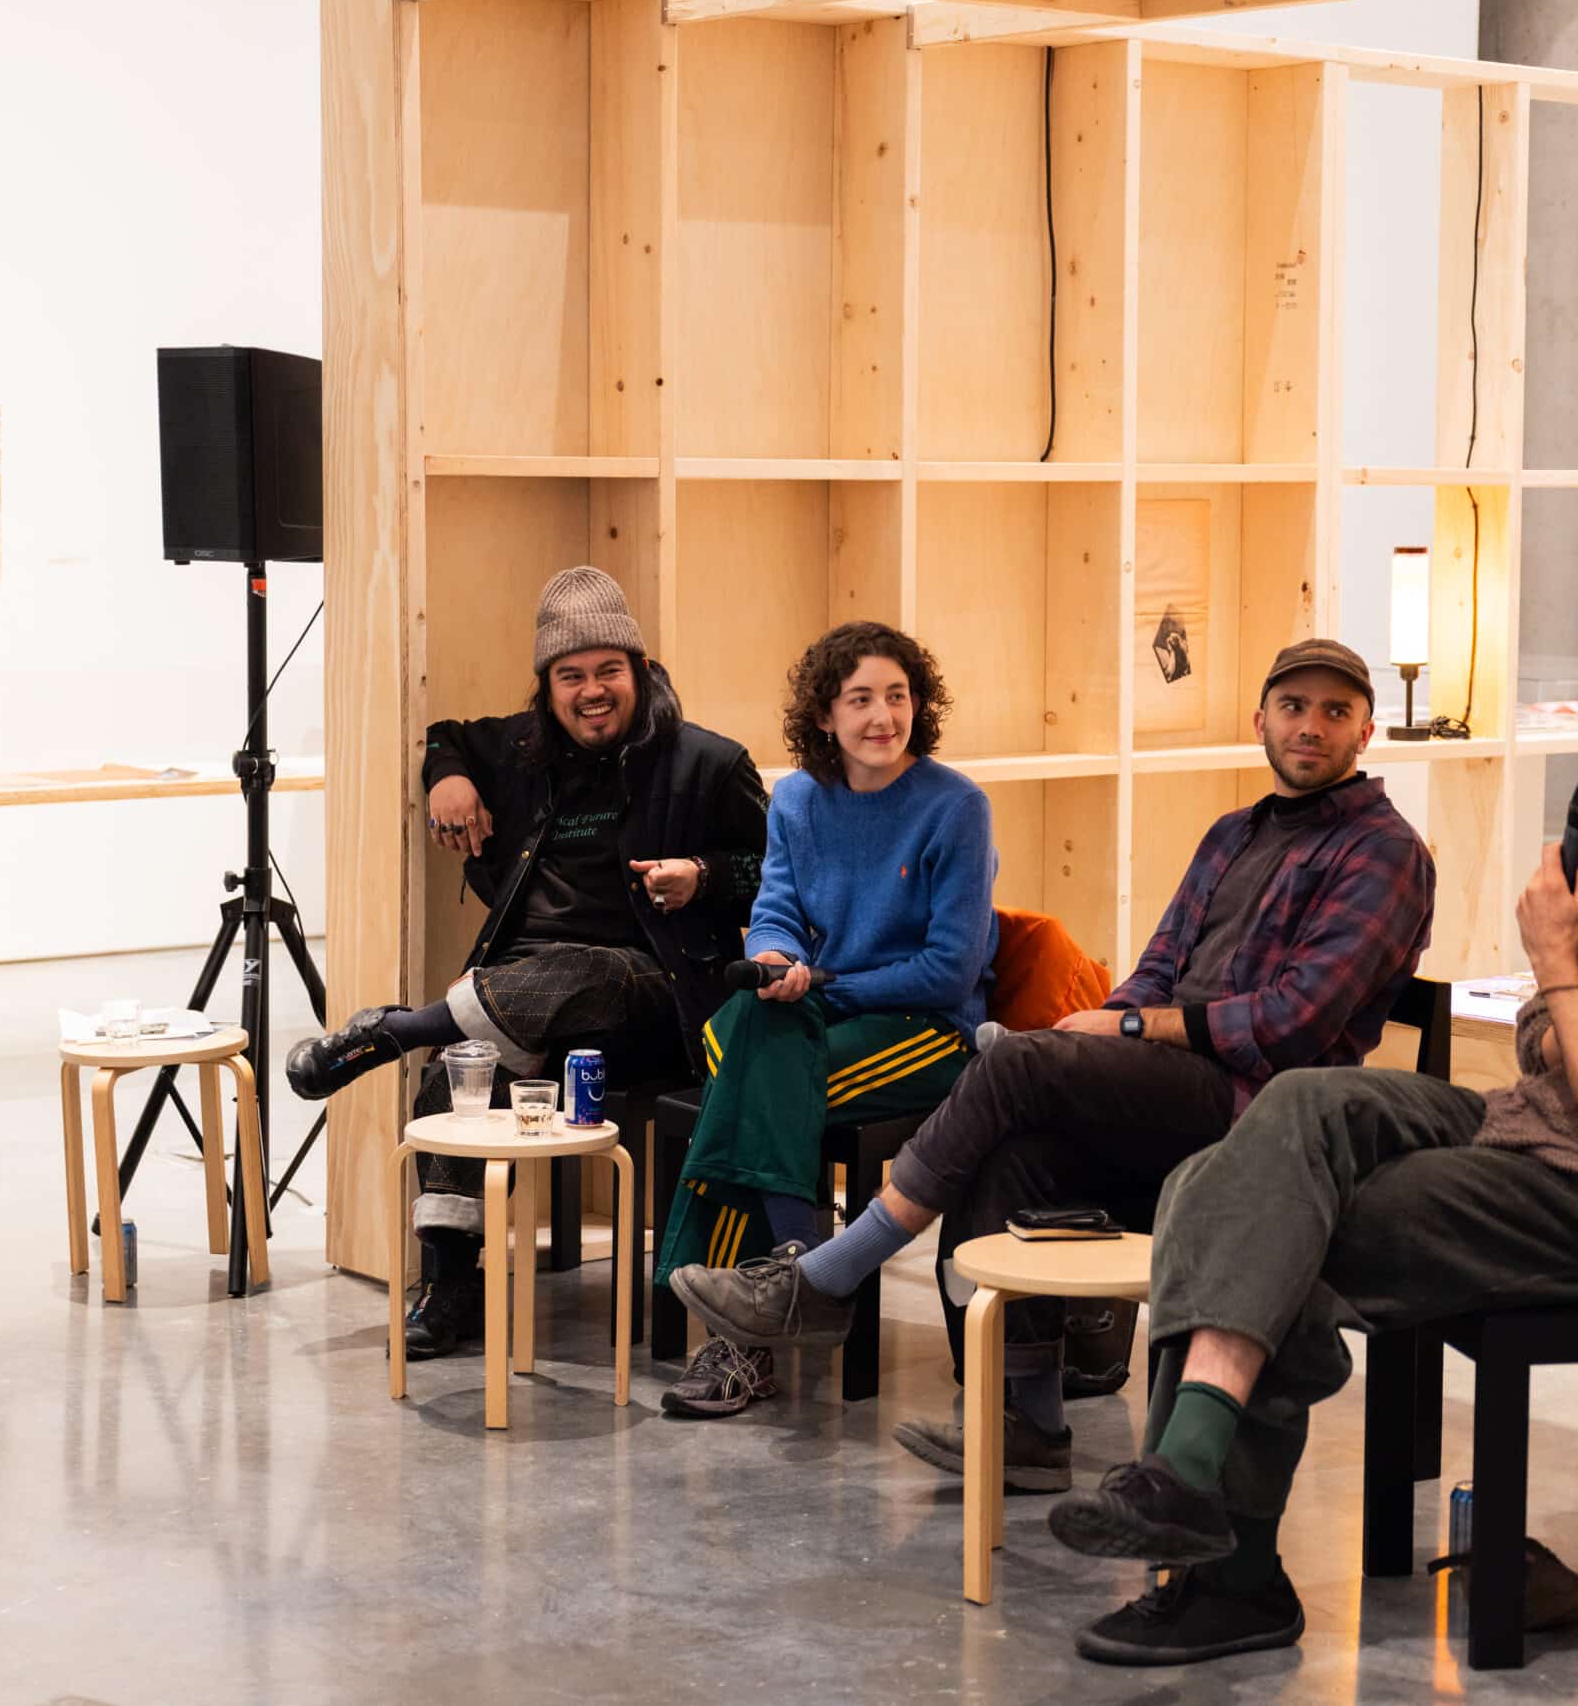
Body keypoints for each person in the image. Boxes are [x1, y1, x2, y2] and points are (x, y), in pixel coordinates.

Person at [1052, 633, 1578, 1668]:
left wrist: (1562, 974)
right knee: (1285, 1119)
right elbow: (1541, 1036)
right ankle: (1186, 1490)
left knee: (1276, 1217)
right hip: (1537, 1125)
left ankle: (1225, 1570)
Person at [668, 639, 1435, 1450]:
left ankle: (825, 1277)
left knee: (1010, 1063)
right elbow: (1158, 967)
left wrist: (1126, 1028)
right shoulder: (1232, 834)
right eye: (1293, 707)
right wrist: (1111, 1026)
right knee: (1006, 1147)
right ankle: (1028, 1424)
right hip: (1173, 1079)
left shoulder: (1384, 852)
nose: (1310, 726)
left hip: (1269, 1106)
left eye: (1334, 712)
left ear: (1366, 732)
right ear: (1261, 721)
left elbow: (1294, 1022)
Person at [285, 566, 769, 1359]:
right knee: (459, 1073)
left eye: (609, 671)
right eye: (570, 676)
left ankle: (395, 1031)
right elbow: (445, 734)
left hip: (656, 999)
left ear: (641, 671)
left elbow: (777, 872)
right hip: (524, 998)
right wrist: (446, 776)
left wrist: (704, 876)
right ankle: (450, 1285)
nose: (592, 691)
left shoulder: (708, 763)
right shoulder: (522, 749)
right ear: (547, 687)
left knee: (593, 971)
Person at [655, 622, 998, 1419]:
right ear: (824, 714)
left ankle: (745, 1337)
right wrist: (776, 958)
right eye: (860, 699)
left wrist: (820, 985)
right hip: (817, 1013)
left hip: (926, 1031)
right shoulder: (799, 798)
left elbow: (949, 970)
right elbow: (775, 906)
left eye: (897, 697)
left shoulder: (956, 807)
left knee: (747, 1079)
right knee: (749, 1030)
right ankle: (802, 1269)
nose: (883, 717)